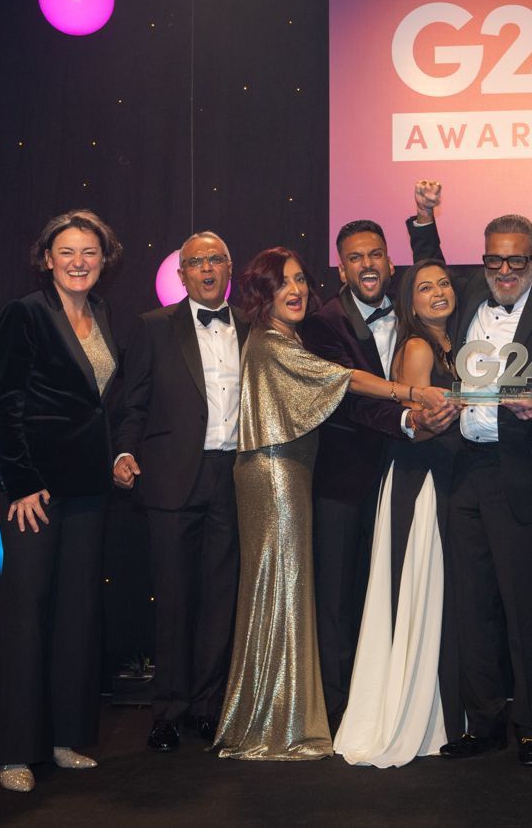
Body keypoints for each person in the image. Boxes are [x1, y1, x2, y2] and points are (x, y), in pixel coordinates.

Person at [213, 247, 448, 761]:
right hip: (273, 476)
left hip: (290, 471)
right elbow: (346, 379)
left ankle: (280, 711)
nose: (295, 290)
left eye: (299, 280)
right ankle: (278, 722)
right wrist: (411, 391)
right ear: (261, 294)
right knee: (282, 588)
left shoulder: (286, 336)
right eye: (282, 284)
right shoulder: (273, 342)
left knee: (287, 589)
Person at [407, 182, 532, 767]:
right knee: (471, 601)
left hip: (519, 469)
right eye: (493, 259)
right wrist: (424, 218)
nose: (504, 270)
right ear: (482, 262)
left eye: (516, 259)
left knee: (522, 604)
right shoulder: (470, 293)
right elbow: (428, 265)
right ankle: (484, 721)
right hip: (463, 469)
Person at [0, 209, 123, 792]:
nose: (78, 262)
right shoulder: (25, 313)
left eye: (89, 252)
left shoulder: (102, 313)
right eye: (67, 252)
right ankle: (16, 751)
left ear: (103, 259)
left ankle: (64, 738)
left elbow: (97, 406)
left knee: (76, 615)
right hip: (34, 491)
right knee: (27, 615)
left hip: (88, 487)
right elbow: (4, 402)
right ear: (47, 258)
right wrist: (20, 481)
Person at [302, 220, 452, 733]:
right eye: (355, 257)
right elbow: (346, 401)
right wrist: (410, 416)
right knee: (340, 598)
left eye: (376, 254)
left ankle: (392, 697)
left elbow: (438, 278)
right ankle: (342, 712)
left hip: (404, 479)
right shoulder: (323, 323)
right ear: (341, 267)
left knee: (389, 591)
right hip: (344, 481)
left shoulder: (409, 310)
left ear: (390, 262)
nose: (367, 264)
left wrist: (425, 225)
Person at [112, 231, 246, 753]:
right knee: (173, 601)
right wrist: (124, 452)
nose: (207, 269)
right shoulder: (153, 328)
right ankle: (167, 711)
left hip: (233, 478)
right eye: (196, 262)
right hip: (170, 479)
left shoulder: (255, 329)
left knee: (220, 600)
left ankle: (208, 710)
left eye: (216, 259)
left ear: (229, 268)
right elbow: (133, 403)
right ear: (182, 274)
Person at [335, 258, 463, 767]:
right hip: (420, 480)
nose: (437, 293)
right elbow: (417, 421)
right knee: (419, 590)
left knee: (435, 595)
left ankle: (436, 706)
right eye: (425, 288)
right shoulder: (417, 346)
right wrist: (452, 414)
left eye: (444, 284)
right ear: (409, 303)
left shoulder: (453, 343)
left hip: (441, 478)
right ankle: (409, 713)